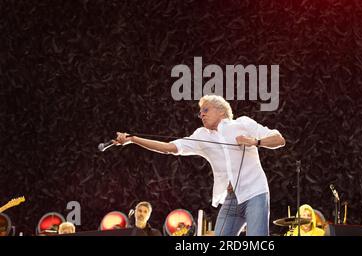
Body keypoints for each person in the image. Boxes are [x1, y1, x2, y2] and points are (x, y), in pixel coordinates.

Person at [115, 95, 286, 236]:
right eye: (200, 113)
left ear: (221, 111)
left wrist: (255, 141)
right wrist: (133, 140)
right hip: (231, 199)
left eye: (205, 110)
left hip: (255, 192)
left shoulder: (242, 123)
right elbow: (169, 148)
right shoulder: (201, 135)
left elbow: (279, 139)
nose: (201, 115)